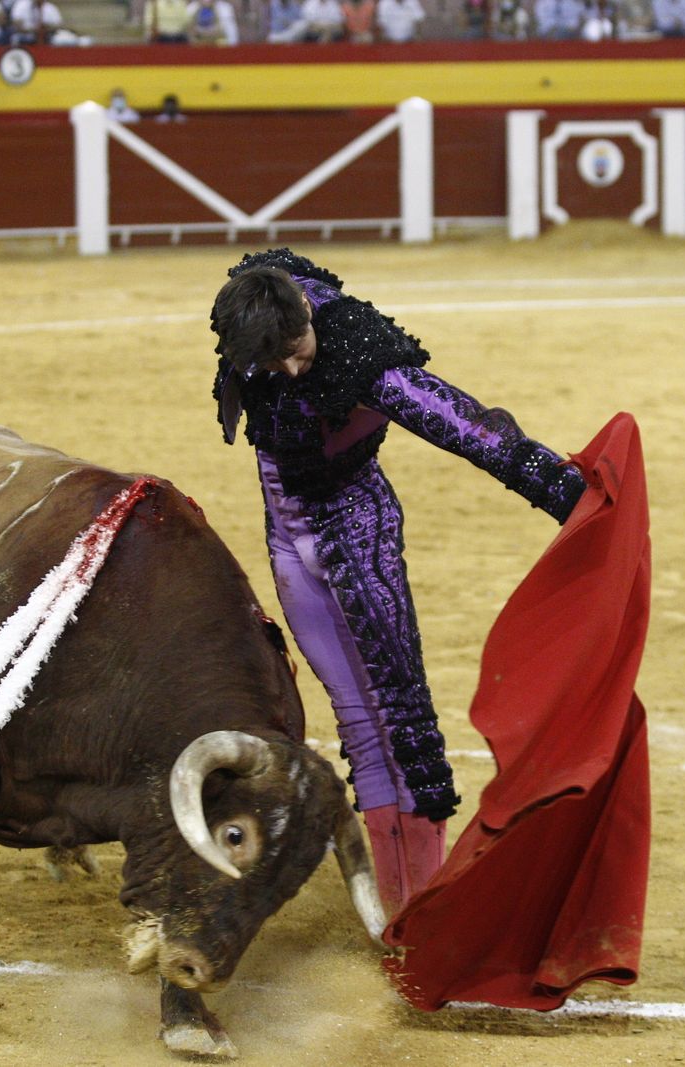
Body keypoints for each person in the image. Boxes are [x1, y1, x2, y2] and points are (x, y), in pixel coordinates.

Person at [208, 250, 586, 911]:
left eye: (299, 350)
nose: (294, 369)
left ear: (306, 316)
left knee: (403, 716)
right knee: (357, 719)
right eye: (277, 364)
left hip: (360, 537)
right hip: (288, 548)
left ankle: (429, 903)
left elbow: (472, 429)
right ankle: (394, 899)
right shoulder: (249, 329)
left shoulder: (360, 355)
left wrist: (567, 493)